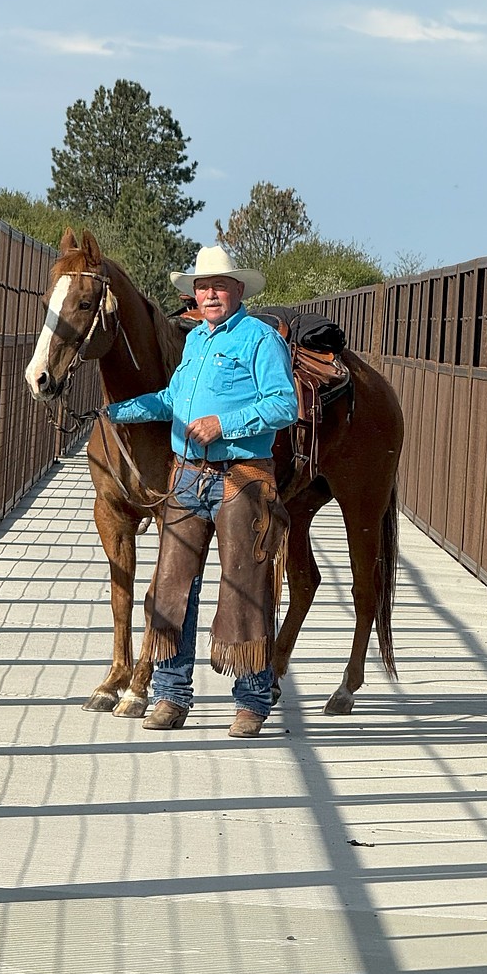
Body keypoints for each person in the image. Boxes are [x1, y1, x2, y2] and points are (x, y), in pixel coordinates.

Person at [105, 245, 298, 738]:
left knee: (247, 587)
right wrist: (117, 411)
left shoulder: (260, 339)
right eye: (203, 286)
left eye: (219, 285)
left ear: (238, 290)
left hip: (242, 479)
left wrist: (225, 423)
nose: (210, 293)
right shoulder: (195, 343)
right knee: (171, 586)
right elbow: (173, 399)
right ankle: (172, 696)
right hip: (187, 477)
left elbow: (284, 405)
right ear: (195, 294)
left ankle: (252, 701)